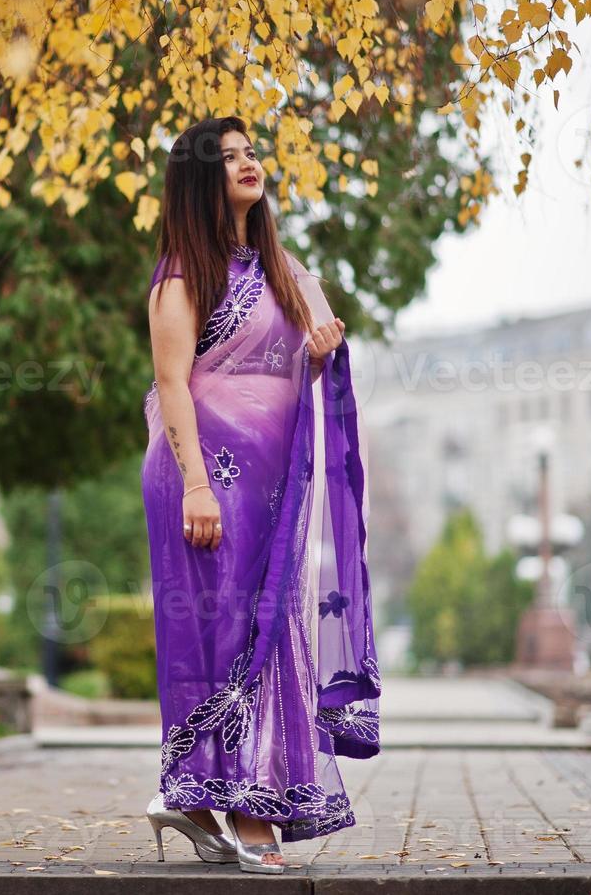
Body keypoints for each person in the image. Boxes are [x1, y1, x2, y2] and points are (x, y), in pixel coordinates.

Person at [141, 116, 382, 874]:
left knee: (269, 629)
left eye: (252, 152)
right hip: (201, 480)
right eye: (229, 157)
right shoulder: (184, 271)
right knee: (213, 636)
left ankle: (195, 799)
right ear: (199, 178)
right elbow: (173, 382)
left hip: (274, 485)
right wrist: (194, 485)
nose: (248, 163)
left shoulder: (282, 271)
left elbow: (287, 378)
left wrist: (317, 358)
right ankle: (239, 808)